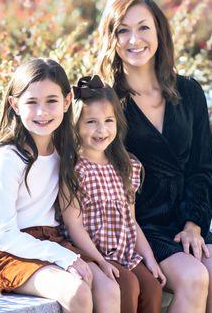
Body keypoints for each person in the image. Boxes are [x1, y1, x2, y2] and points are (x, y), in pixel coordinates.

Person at [97, 0, 212, 313]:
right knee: (193, 278)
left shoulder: (188, 92)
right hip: (137, 223)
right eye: (123, 30)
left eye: (144, 27)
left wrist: (194, 224)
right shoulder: (105, 101)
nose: (134, 39)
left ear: (159, 32)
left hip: (184, 218)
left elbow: (203, 167)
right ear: (112, 38)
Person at [0, 58, 120, 313]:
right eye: (31, 102)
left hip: (49, 239)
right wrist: (66, 257)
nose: (42, 112)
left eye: (51, 101)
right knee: (76, 290)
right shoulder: (7, 158)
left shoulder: (64, 150)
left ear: (67, 101)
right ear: (15, 105)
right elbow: (4, 235)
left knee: (109, 287)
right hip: (3, 250)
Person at [60, 75, 165, 313]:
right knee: (127, 285)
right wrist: (98, 260)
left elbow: (131, 221)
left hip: (124, 252)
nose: (101, 130)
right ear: (75, 124)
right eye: (91, 122)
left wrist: (149, 258)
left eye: (109, 120)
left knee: (153, 286)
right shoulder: (74, 169)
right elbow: (73, 226)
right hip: (92, 252)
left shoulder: (126, 166)